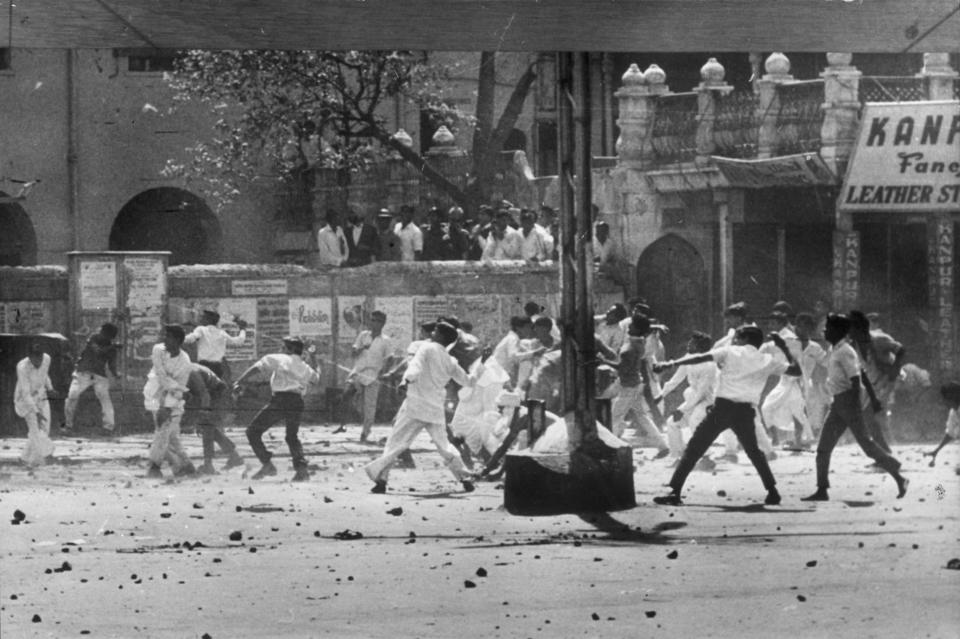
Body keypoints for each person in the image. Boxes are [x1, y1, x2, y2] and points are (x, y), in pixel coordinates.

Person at [652, 326, 800, 506]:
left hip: (722, 408)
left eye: (738, 337)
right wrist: (783, 347)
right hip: (745, 411)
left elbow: (700, 357)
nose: (735, 340)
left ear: (744, 339)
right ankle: (772, 491)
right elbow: (796, 371)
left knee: (694, 447)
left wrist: (670, 364)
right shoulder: (767, 360)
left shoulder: (730, 351)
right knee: (754, 452)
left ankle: (674, 491)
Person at [801, 314, 908, 502]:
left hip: (848, 402)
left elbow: (856, 379)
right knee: (824, 447)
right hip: (838, 403)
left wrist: (857, 406)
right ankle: (822, 489)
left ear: (837, 331)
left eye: (828, 328)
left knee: (866, 445)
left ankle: (897, 473)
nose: (824, 331)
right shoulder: (836, 349)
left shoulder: (845, 351)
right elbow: (863, 374)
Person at [364, 321, 481, 494]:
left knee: (396, 443)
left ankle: (381, 480)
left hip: (415, 406)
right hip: (435, 409)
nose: (432, 332)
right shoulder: (450, 360)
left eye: (435, 330)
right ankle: (465, 478)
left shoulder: (426, 348)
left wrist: (406, 381)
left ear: (440, 335)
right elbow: (469, 381)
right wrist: (482, 362)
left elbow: (415, 366)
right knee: (444, 446)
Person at [234, 336, 321, 482]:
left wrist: (239, 381)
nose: (281, 349)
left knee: (253, 432)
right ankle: (302, 470)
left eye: (283, 347)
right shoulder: (304, 366)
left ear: (291, 349)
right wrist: (314, 357)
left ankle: (267, 464)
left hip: (280, 401)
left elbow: (258, 368)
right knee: (292, 437)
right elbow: (317, 378)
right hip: (297, 402)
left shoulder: (281, 358)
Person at [605, 314, 670, 459]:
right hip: (633, 383)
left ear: (637, 329)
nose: (629, 326)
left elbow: (621, 368)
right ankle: (662, 445)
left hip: (629, 386)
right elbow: (644, 328)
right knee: (641, 416)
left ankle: (610, 448)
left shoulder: (631, 348)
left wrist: (602, 360)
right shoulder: (640, 340)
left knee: (615, 416)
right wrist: (656, 326)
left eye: (632, 325)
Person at [143, 325, 197, 479]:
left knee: (166, 432)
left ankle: (157, 466)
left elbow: (178, 386)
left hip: (173, 398)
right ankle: (184, 466)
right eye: (164, 336)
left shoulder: (184, 361)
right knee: (168, 434)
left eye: (168, 337)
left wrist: (168, 406)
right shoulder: (158, 350)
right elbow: (161, 375)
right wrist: (162, 406)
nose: (164, 339)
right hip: (153, 395)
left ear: (178, 341)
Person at [655, 331, 717, 464]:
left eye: (693, 342)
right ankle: (680, 455)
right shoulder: (688, 358)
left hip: (709, 400)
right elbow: (676, 379)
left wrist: (683, 409)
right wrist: (661, 395)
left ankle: (706, 457)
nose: (689, 344)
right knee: (672, 423)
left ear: (700, 347)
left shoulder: (709, 365)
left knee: (695, 421)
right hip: (693, 397)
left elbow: (702, 393)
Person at [848, 310, 904, 453]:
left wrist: (894, 371)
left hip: (887, 381)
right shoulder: (853, 344)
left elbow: (900, 349)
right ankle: (885, 452)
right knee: (870, 418)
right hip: (871, 384)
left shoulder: (878, 339)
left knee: (870, 416)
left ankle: (885, 453)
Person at [183, 363, 244, 475]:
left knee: (207, 428)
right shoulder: (182, 370)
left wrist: (203, 412)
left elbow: (205, 394)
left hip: (218, 394)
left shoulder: (190, 371)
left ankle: (208, 465)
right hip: (212, 394)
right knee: (211, 430)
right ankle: (234, 456)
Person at [346, 310, 395, 443]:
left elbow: (390, 358)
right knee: (348, 396)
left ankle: (365, 432)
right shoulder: (363, 336)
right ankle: (345, 423)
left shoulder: (386, 340)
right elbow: (353, 352)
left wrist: (384, 372)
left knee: (370, 406)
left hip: (373, 374)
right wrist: (362, 348)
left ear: (382, 323)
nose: (374, 323)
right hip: (358, 372)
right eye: (372, 320)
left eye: (377, 321)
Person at [64, 322, 119, 435]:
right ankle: (68, 425)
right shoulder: (94, 338)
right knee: (72, 395)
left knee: (105, 398)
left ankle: (109, 427)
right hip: (83, 373)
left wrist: (116, 374)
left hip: (99, 375)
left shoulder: (111, 347)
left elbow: (112, 365)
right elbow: (97, 351)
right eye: (102, 332)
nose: (100, 333)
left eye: (104, 333)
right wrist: (112, 347)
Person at [15, 342, 56, 467]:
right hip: (25, 400)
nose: (38, 362)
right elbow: (26, 393)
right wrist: (36, 412)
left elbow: (45, 374)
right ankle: (44, 459)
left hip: (41, 396)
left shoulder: (47, 359)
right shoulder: (22, 367)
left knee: (45, 430)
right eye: (35, 359)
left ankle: (24, 459)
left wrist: (50, 388)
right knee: (35, 430)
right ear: (29, 356)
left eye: (40, 358)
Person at [184, 310, 247, 379]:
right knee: (215, 387)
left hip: (203, 366)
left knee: (203, 387)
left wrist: (180, 337)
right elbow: (238, 341)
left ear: (208, 320)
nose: (201, 319)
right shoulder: (222, 333)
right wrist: (242, 329)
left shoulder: (201, 329)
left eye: (203, 317)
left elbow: (190, 338)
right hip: (217, 368)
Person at [923, 381, 960, 473]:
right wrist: (936, 450)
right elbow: (950, 434)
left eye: (944, 398)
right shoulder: (954, 412)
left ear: (951, 398)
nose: (943, 401)